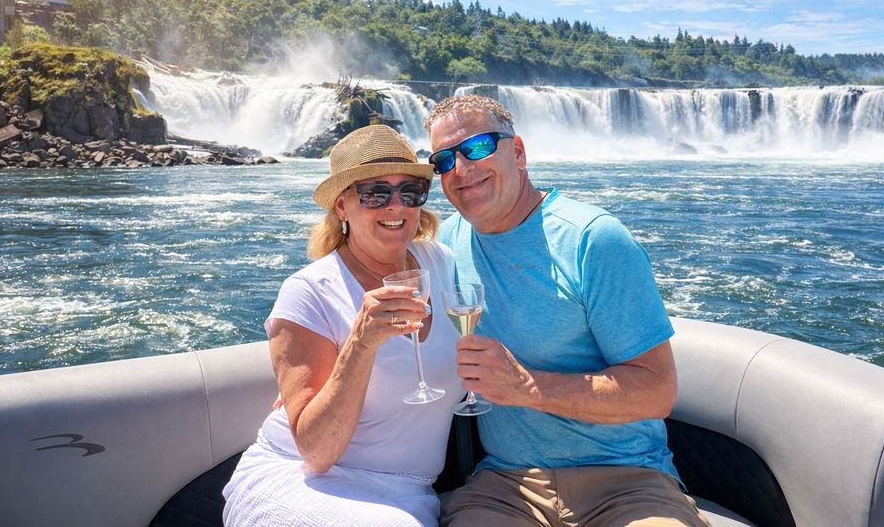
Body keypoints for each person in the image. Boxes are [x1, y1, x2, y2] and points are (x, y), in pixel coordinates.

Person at [424, 95, 711, 527]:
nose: (461, 169)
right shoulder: (446, 244)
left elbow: (657, 392)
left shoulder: (594, 242)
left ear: (517, 152)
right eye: (443, 159)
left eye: (478, 147)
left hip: (628, 483)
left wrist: (526, 387)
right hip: (506, 486)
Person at [222, 124, 462, 527]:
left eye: (410, 191)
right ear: (341, 206)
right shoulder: (308, 292)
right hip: (300, 478)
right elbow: (315, 453)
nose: (395, 206)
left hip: (409, 490)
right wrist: (359, 346)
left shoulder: (442, 263)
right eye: (375, 193)